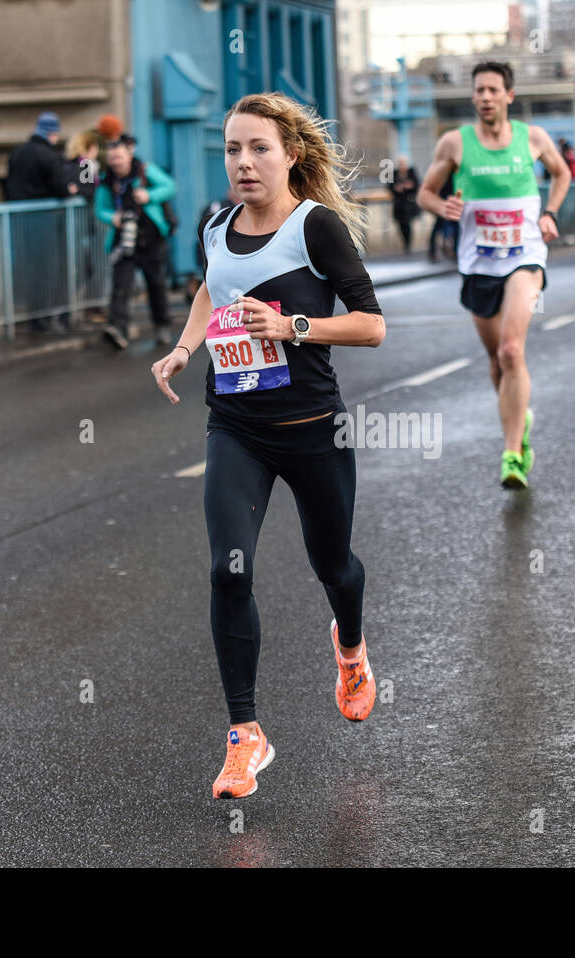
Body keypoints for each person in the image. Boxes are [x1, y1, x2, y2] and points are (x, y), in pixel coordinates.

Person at [149, 92, 386, 799]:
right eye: (232, 149)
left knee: (334, 566)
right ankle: (245, 735)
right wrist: (186, 348)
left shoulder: (315, 228)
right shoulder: (216, 226)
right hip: (237, 427)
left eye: (258, 148)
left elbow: (372, 325)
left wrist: (295, 329)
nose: (243, 162)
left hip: (313, 430)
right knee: (229, 572)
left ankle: (350, 647)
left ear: (291, 155)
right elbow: (212, 288)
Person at [418, 61, 570, 489]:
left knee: (510, 350)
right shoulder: (454, 144)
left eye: (492, 90)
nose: (485, 97)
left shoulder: (533, 138)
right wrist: (441, 207)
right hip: (478, 263)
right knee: (494, 360)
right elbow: (425, 193)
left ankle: (512, 454)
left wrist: (551, 212)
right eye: (479, 90)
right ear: (473, 97)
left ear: (509, 96)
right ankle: (519, 415)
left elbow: (563, 174)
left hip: (524, 256)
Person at [93, 133, 176, 347]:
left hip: (151, 236)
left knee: (156, 283)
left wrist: (149, 196)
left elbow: (169, 186)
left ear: (128, 155)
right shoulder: (107, 181)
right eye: (112, 159)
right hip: (123, 239)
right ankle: (117, 329)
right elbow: (100, 209)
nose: (116, 162)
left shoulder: (145, 170)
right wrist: (113, 217)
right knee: (121, 285)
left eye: (119, 157)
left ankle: (162, 325)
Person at [6, 112, 76, 332]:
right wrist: (69, 190)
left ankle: (33, 315)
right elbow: (61, 188)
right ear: (52, 133)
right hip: (45, 221)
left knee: (28, 268)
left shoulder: (17, 152)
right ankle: (44, 316)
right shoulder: (49, 155)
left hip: (20, 220)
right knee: (47, 269)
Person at [65, 129, 105, 322]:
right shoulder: (87, 164)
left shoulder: (70, 163)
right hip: (87, 223)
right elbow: (89, 190)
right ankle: (91, 307)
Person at [390, 155, 420, 253]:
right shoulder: (394, 174)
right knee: (401, 225)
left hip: (409, 204)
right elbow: (389, 186)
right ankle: (405, 244)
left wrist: (409, 186)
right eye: (401, 164)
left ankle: (408, 245)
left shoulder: (411, 172)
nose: (403, 166)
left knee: (408, 224)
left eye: (404, 164)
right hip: (399, 205)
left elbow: (417, 184)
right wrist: (396, 188)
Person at [427, 171, 458, 263]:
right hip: (444, 205)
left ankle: (453, 251)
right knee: (442, 229)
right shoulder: (445, 171)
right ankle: (434, 251)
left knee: (454, 230)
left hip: (450, 205)